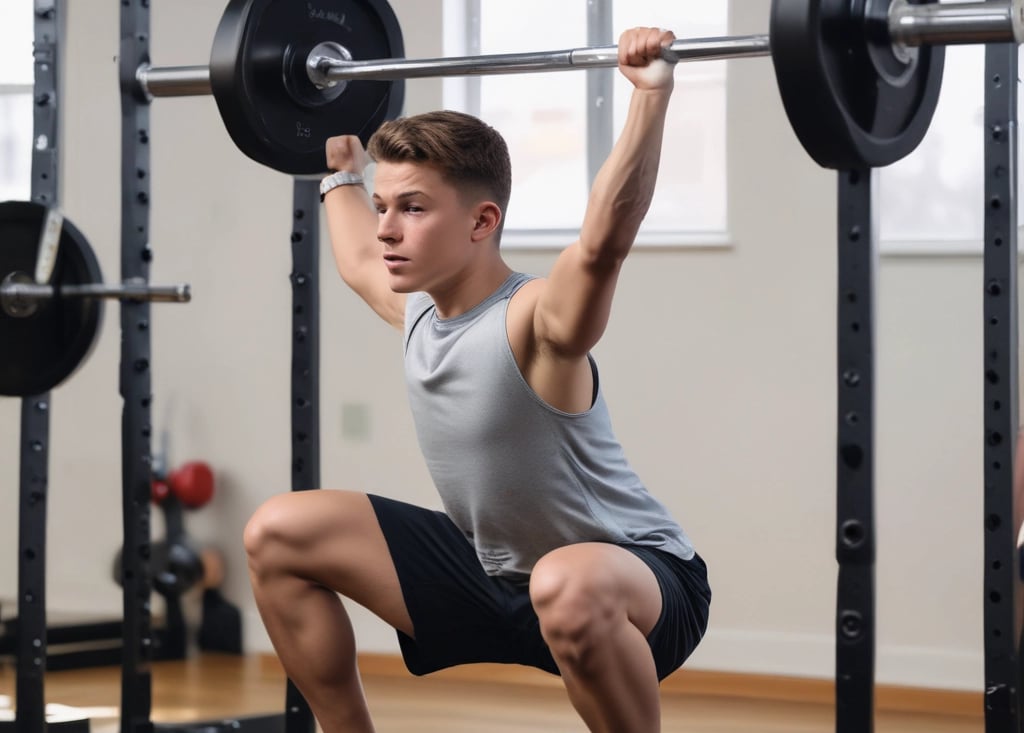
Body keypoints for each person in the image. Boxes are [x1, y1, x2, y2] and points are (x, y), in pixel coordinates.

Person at [244, 27, 711, 733]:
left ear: (482, 220)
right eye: (384, 206)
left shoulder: (535, 320)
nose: (387, 229)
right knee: (278, 531)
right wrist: (339, 163)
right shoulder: (417, 309)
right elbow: (352, 256)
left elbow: (604, 240)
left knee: (565, 584)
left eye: (413, 207)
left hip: (636, 584)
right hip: (494, 573)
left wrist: (650, 96)